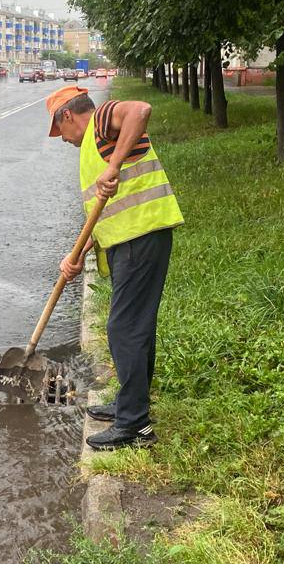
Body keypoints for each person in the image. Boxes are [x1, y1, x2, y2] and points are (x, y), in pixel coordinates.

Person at [45, 85, 184, 450]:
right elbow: (103, 212)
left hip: (141, 237)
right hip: (130, 240)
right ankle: (130, 404)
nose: (62, 140)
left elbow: (141, 109)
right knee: (135, 327)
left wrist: (115, 164)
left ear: (68, 115)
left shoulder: (102, 120)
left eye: (59, 131)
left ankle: (135, 427)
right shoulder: (92, 145)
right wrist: (79, 251)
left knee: (124, 328)